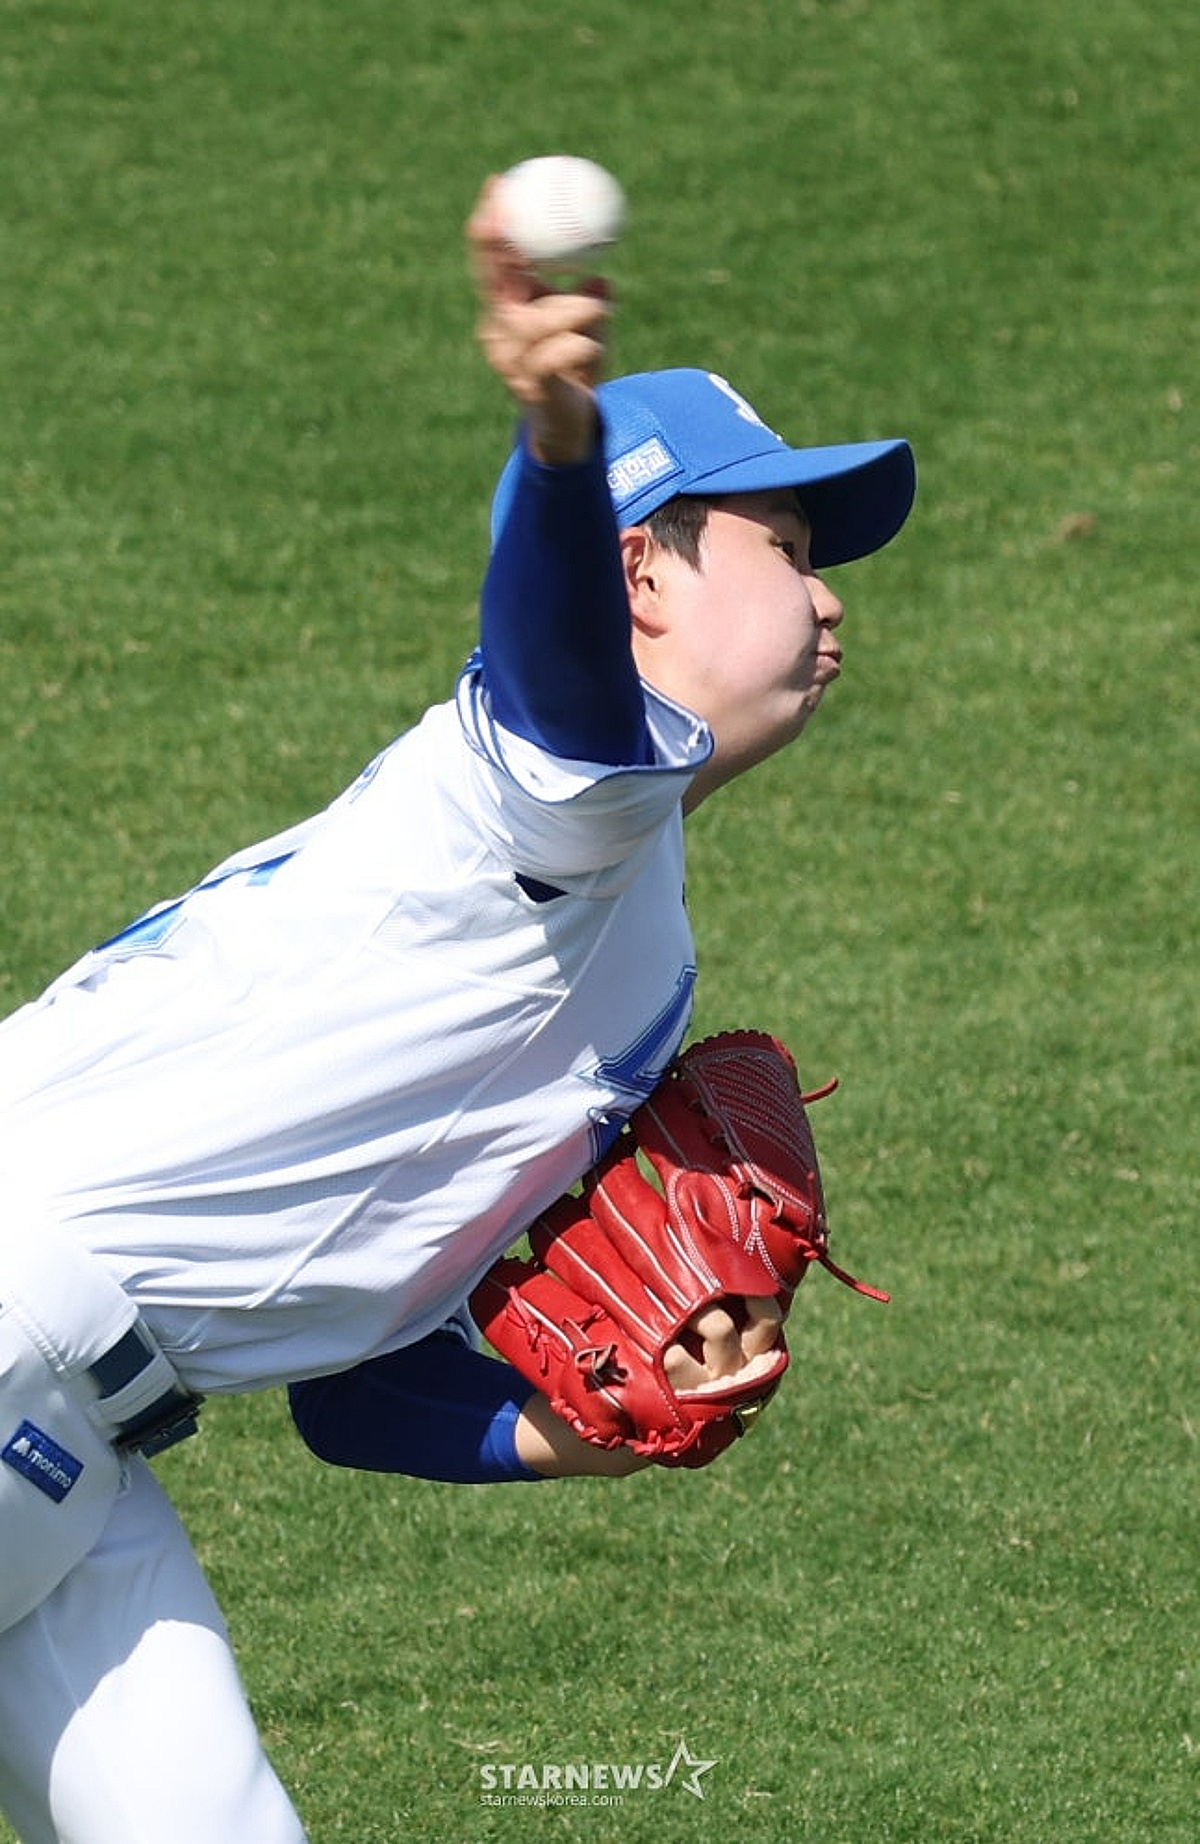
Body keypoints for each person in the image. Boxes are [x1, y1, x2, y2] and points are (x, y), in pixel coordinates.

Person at [0, 176, 915, 1843]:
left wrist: (611, 1437)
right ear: (642, 574)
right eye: (785, 547)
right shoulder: (548, 801)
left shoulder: (614, 922)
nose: (835, 595)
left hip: (77, 1441)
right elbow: (554, 658)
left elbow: (359, 1383)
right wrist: (557, 449)